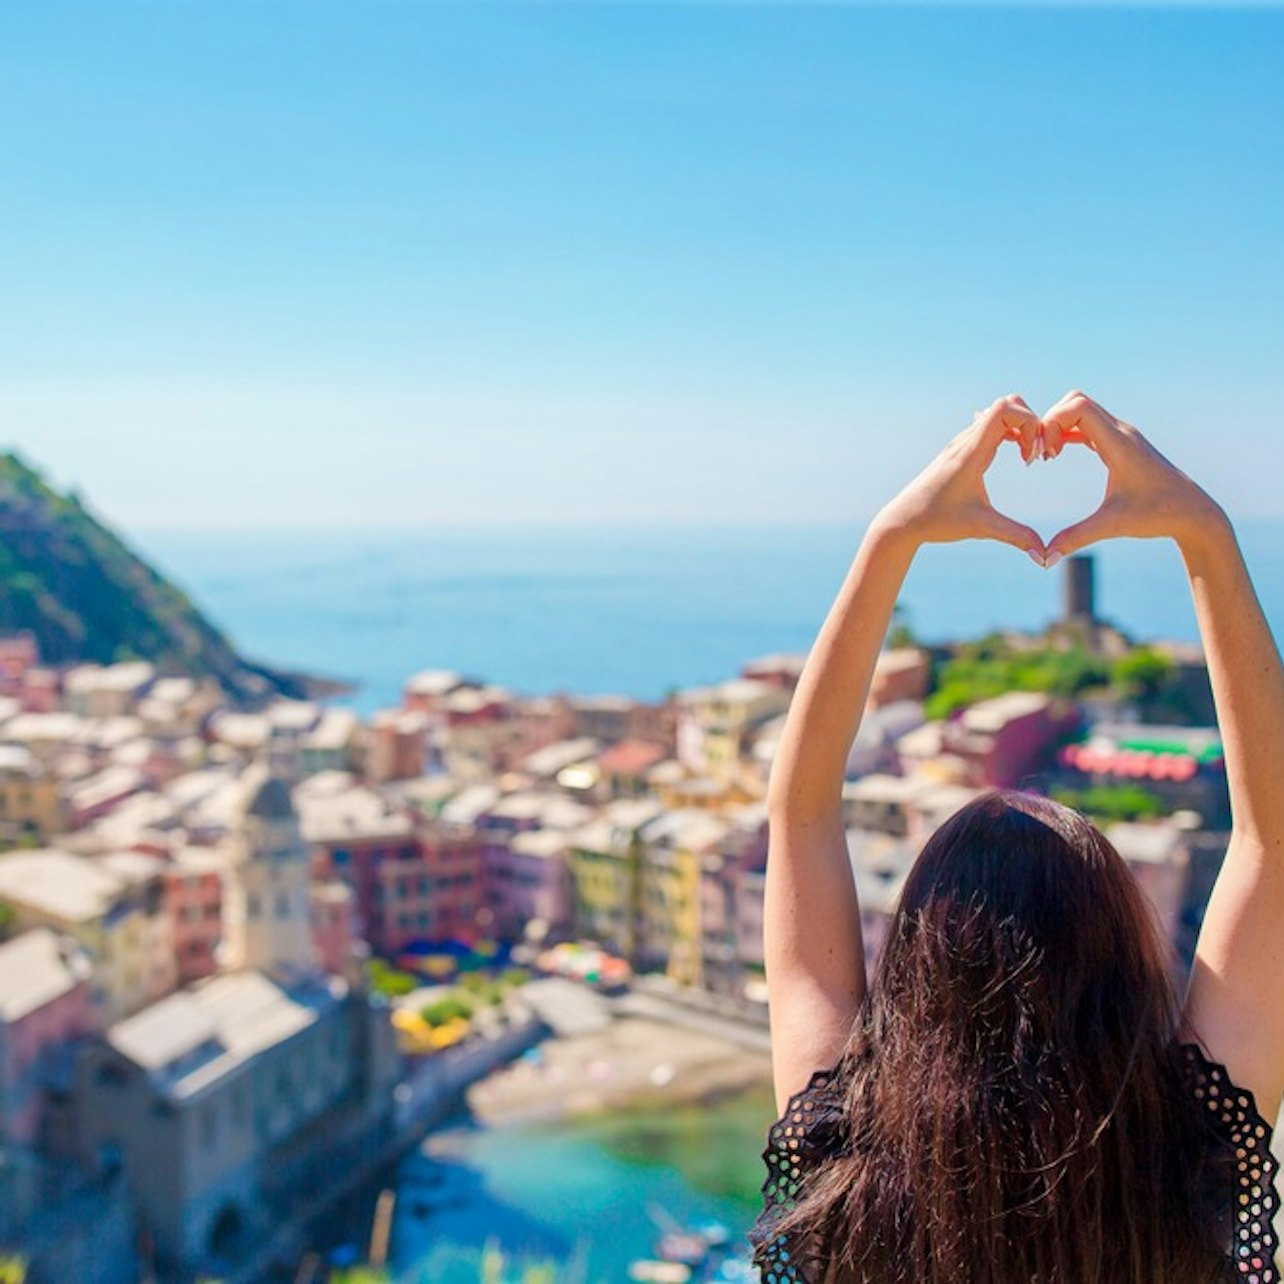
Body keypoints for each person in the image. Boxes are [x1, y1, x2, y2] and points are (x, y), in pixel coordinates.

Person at [749, 392, 1282, 1284]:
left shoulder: (845, 1168)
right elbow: (1271, 837)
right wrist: (1203, 531)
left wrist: (892, 537)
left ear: (918, 958)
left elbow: (799, 814)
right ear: (1116, 942)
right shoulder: (1183, 1154)